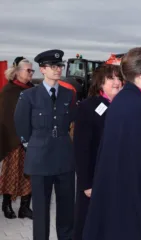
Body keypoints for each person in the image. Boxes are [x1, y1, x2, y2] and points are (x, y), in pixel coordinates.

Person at [82, 46, 141, 240]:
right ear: (140, 75)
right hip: (133, 198)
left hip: (121, 189)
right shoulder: (136, 107)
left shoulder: (124, 100)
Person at [14, 49, 76, 240]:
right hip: (40, 161)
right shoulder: (29, 96)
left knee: (67, 210)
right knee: (40, 212)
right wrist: (34, 148)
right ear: (42, 69)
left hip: (64, 160)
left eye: (60, 65)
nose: (58, 69)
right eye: (53, 66)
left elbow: (70, 123)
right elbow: (22, 128)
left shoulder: (68, 94)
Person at [73, 64, 123, 240]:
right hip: (95, 178)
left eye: (119, 78)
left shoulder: (125, 105)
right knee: (90, 224)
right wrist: (86, 183)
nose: (117, 82)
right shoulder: (88, 107)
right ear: (100, 83)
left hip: (118, 176)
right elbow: (81, 148)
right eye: (111, 78)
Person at [0, 57, 34, 219]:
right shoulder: (9, 91)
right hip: (13, 140)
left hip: (31, 139)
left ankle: (25, 208)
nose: (31, 73)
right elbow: (5, 117)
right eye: (28, 70)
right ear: (17, 72)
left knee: (30, 174)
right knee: (11, 173)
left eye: (32, 70)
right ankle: (6, 205)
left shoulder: (32, 89)